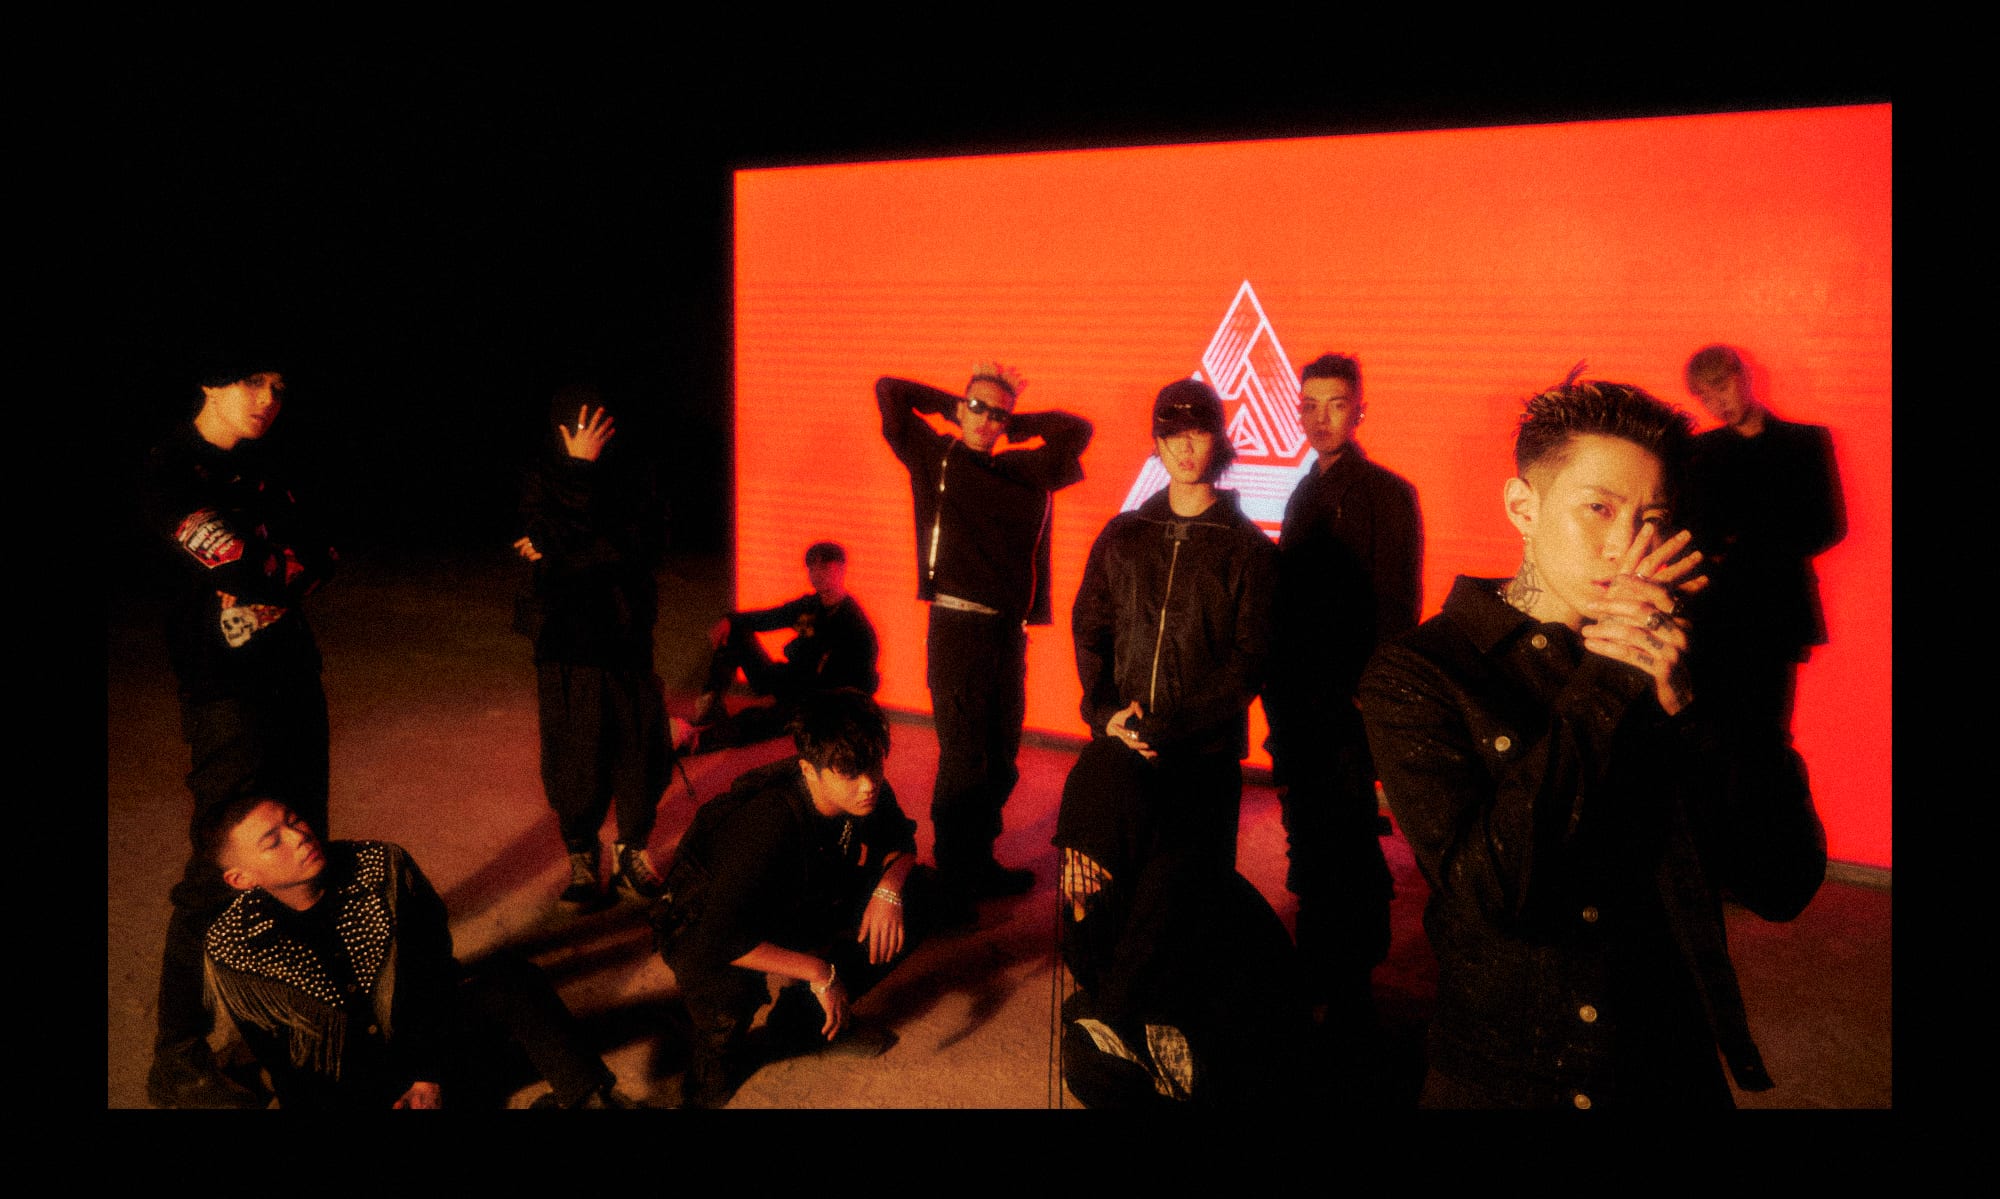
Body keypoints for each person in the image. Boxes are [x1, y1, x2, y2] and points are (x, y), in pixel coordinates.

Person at [1359, 377, 1826, 1108]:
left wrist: (1690, 716)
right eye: (1598, 509)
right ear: (1524, 507)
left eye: (1651, 518)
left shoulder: (1692, 657)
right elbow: (1495, 890)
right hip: (1507, 1078)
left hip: (1667, 1068)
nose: (1626, 546)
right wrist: (1610, 674)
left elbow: (1784, 881)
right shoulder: (1426, 671)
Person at [1054, 378, 1301, 1106]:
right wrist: (1106, 714)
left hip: (1204, 759)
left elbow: (1249, 661)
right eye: (1171, 434)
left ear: (1216, 440)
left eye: (1197, 433)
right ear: (1157, 443)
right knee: (1116, 898)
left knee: (1192, 906)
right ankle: (1122, 1020)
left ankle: (1166, 1035)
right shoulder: (1123, 534)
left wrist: (1176, 724)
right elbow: (1090, 627)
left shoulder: (1247, 549)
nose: (1185, 447)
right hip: (1127, 757)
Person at [142, 353, 338, 1108]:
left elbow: (325, 552)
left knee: (304, 852)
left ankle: (280, 1021)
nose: (268, 399)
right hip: (226, 692)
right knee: (221, 868)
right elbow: (244, 563)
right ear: (208, 381)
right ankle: (178, 1055)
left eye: (280, 387)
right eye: (253, 382)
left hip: (294, 677)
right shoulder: (169, 470)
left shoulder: (273, 464)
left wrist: (268, 568)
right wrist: (273, 567)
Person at [201, 796, 637, 1109]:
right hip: (353, 1081)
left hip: (427, 1039)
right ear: (241, 879)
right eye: (273, 841)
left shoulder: (382, 868)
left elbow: (433, 976)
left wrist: (428, 1073)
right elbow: (288, 1064)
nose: (299, 836)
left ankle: (590, 1098)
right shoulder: (234, 946)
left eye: (294, 819)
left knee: (512, 981)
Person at [876, 363, 1092, 907]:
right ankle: (953, 876)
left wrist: (1014, 421)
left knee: (1000, 757)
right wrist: (957, 405)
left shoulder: (1023, 470)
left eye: (997, 415)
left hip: (1007, 635)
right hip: (957, 630)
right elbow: (891, 392)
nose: (985, 420)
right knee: (963, 758)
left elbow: (1077, 431)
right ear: (960, 408)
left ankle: (979, 861)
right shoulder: (937, 458)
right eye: (977, 407)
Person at [650, 689, 930, 1108]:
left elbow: (901, 843)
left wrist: (888, 890)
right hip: (705, 925)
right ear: (809, 770)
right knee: (730, 1002)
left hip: (794, 896)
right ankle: (714, 1055)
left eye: (874, 766)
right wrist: (819, 971)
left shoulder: (868, 788)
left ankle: (802, 1022)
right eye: (849, 773)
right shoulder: (768, 823)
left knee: (918, 895)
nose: (868, 785)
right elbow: (716, 936)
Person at [1262, 352, 1422, 1029]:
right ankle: (1317, 961)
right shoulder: (1302, 492)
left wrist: (1372, 691)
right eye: (1309, 405)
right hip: (1295, 697)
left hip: (1348, 701)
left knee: (1349, 835)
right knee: (1306, 830)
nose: (1320, 417)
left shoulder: (1387, 492)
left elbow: (1398, 602)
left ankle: (1352, 979)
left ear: (1359, 409)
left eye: (1334, 403)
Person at [515, 383, 674, 907]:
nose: (588, 436)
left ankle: (632, 850)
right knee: (573, 759)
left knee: (640, 753)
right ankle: (582, 854)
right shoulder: (542, 474)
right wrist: (577, 475)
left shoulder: (636, 472)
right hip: (566, 641)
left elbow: (639, 546)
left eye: (597, 424)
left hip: (626, 637)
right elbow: (540, 535)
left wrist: (562, 550)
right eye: (577, 426)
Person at [1681, 344, 1846, 749]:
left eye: (1721, 387)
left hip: (1777, 610)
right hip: (1715, 612)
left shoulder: (1806, 442)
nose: (1717, 403)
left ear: (1745, 376)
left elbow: (1828, 526)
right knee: (1712, 735)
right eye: (1705, 397)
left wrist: (1739, 540)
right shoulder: (1698, 452)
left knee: (1769, 737)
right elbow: (1691, 534)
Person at [677, 541, 880, 754]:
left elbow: (864, 681)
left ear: (842, 569)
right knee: (736, 630)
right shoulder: (810, 605)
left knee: (758, 721)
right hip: (791, 681)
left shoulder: (856, 624)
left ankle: (699, 738)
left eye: (825, 567)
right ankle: (710, 706)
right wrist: (730, 619)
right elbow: (770, 617)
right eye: (812, 568)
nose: (817, 574)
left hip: (820, 702)